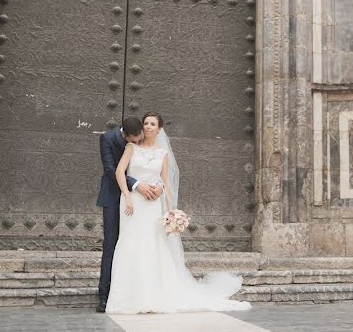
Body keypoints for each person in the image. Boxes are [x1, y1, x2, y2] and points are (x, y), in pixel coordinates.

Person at [105, 112, 250, 314]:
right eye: (145, 123)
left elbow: (166, 182)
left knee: (153, 247)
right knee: (130, 244)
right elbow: (120, 172)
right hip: (133, 204)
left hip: (153, 205)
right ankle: (126, 298)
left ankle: (153, 295)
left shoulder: (163, 154)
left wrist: (171, 209)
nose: (148, 127)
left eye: (152, 124)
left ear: (159, 129)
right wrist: (128, 196)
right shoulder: (131, 148)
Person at [96, 116, 163, 313]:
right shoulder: (107, 139)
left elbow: (155, 169)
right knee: (111, 244)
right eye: (133, 140)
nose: (137, 141)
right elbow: (111, 171)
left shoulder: (140, 136)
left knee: (137, 246)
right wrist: (136, 184)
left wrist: (155, 186)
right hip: (113, 196)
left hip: (140, 202)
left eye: (140, 137)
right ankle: (104, 294)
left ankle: (135, 291)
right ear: (125, 135)